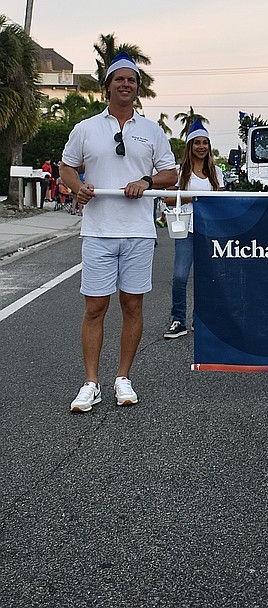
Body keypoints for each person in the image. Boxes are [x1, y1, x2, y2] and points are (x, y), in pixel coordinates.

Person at [61, 51, 177, 412]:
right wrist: (75, 186)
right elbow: (66, 167)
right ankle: (90, 382)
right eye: (119, 80)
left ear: (136, 88)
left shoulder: (151, 130)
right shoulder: (85, 129)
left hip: (139, 231)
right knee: (95, 307)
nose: (125, 85)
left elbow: (170, 174)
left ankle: (123, 378)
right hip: (97, 231)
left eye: (131, 80)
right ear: (108, 86)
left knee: (132, 305)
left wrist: (146, 180)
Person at [164, 119, 224, 339]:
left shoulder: (216, 171)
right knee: (180, 276)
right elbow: (168, 198)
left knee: (209, 276)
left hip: (210, 229)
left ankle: (203, 319)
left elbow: (222, 199)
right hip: (186, 229)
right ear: (190, 146)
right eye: (197, 143)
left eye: (205, 143)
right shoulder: (180, 172)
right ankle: (178, 319)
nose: (201, 147)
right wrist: (196, 197)